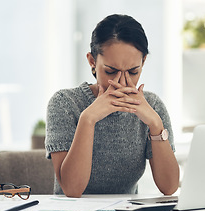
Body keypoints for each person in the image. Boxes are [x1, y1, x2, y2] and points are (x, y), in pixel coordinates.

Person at [45, 14, 179, 198]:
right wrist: (88, 118)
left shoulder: (152, 106)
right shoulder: (64, 103)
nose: (122, 82)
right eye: (111, 71)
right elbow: (72, 189)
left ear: (143, 62)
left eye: (133, 71)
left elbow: (169, 187)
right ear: (92, 61)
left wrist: (156, 124)